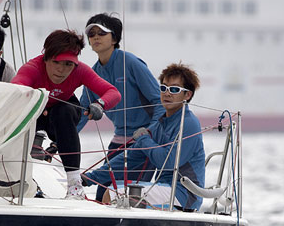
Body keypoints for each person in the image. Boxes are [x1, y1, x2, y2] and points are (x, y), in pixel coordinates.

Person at [11, 29, 121, 199]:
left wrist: (100, 104)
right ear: (46, 57)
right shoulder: (32, 68)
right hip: (35, 114)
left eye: (68, 64)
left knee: (63, 111)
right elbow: (14, 92)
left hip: (62, 119)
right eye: (57, 62)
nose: (62, 70)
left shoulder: (80, 70)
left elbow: (113, 93)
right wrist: (35, 105)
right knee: (25, 113)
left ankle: (75, 186)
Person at [82, 63, 205, 211]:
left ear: (187, 95)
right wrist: (89, 178)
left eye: (174, 89)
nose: (167, 93)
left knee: (112, 194)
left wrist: (144, 139)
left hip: (184, 195)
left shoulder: (189, 123)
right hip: (165, 189)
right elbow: (130, 157)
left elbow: (169, 162)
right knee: (113, 190)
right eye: (163, 88)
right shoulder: (159, 124)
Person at [77, 12, 165, 201]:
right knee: (102, 195)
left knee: (126, 196)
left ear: (114, 38)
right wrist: (56, 143)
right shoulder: (93, 73)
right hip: (118, 140)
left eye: (101, 33)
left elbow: (160, 102)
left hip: (142, 140)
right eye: (91, 34)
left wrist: (149, 133)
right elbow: (83, 113)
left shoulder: (131, 63)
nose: (95, 38)